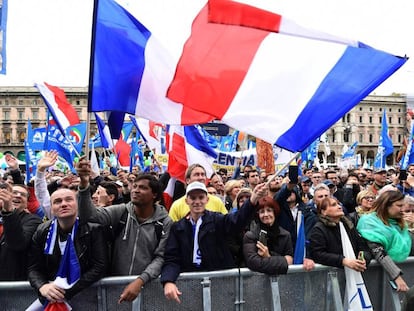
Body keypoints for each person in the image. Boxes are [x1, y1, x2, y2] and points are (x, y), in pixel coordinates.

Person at [76, 157, 173, 303]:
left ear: (154, 195)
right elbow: (88, 216)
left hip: (149, 291)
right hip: (115, 289)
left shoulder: (165, 222)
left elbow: (161, 257)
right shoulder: (121, 212)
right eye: (135, 186)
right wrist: (84, 184)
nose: (136, 190)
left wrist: (140, 281)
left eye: (143, 188)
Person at [161, 181, 268, 303]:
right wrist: (168, 280)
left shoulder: (217, 220)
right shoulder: (178, 227)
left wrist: (253, 199)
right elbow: (171, 257)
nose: (197, 201)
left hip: (219, 284)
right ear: (187, 201)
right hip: (190, 285)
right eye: (193, 198)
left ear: (207, 200)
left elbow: (237, 220)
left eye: (201, 197)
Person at [27, 188, 108, 305]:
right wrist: (42, 286)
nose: (64, 204)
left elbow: (100, 266)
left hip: (87, 297)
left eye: (69, 200)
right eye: (57, 201)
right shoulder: (42, 231)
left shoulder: (93, 230)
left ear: (77, 204)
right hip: (51, 297)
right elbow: (33, 268)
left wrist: (66, 291)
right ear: (52, 209)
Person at [357, 191, 412, 292]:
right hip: (374, 281)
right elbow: (379, 252)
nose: (403, 209)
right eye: (399, 206)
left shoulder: (399, 224)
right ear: (386, 205)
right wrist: (397, 277)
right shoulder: (369, 222)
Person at [308, 197, 371, 271]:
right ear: (323, 211)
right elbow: (318, 254)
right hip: (330, 274)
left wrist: (363, 259)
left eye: (338, 204)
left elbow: (363, 246)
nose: (339, 207)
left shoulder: (349, 225)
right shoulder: (318, 229)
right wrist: (343, 261)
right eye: (334, 205)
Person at [0, 182, 42, 281]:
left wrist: (9, 211)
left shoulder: (33, 221)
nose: (18, 196)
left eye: (23, 195)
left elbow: (17, 244)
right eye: (14, 192)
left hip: (10, 284)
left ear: (27, 203)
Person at [243, 196, 293, 275]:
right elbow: (253, 263)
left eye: (269, 210)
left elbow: (290, 260)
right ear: (258, 215)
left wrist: (268, 256)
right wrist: (283, 261)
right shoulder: (250, 236)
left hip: (282, 281)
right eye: (262, 212)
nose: (266, 214)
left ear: (274, 212)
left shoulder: (285, 235)